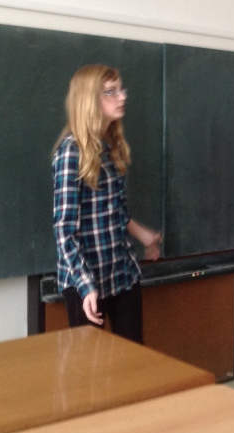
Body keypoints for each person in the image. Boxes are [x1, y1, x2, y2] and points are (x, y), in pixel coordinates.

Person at [52, 64, 161, 344]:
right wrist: (86, 285)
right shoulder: (71, 153)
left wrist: (145, 236)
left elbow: (116, 212)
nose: (122, 96)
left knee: (134, 357)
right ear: (90, 100)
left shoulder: (110, 147)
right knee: (90, 365)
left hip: (121, 273)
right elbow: (64, 230)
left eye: (120, 90)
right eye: (111, 92)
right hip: (86, 282)